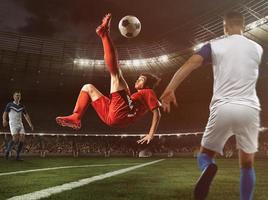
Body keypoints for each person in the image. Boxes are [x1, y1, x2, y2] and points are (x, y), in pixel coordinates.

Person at [160, 11, 263, 200]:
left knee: (204, 155)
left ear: (225, 27)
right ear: (244, 25)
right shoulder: (257, 48)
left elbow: (190, 64)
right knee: (247, 165)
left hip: (223, 107)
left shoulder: (215, 45)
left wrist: (169, 90)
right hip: (249, 109)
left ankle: (208, 167)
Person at [56, 14, 161, 144]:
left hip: (122, 113)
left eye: (141, 79)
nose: (137, 81)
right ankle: (76, 117)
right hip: (111, 118)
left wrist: (151, 134)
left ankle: (104, 34)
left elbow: (157, 114)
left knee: (116, 73)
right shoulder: (139, 97)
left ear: (147, 84)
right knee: (87, 88)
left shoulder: (148, 92)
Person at [2, 91, 34, 160]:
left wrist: (30, 124)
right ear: (13, 96)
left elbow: (26, 116)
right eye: (16, 95)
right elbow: (5, 113)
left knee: (22, 138)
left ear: (20, 97)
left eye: (19, 96)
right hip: (13, 123)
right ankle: (8, 150)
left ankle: (18, 156)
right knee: (15, 139)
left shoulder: (22, 106)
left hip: (20, 123)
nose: (18, 97)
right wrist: (4, 120)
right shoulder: (9, 104)